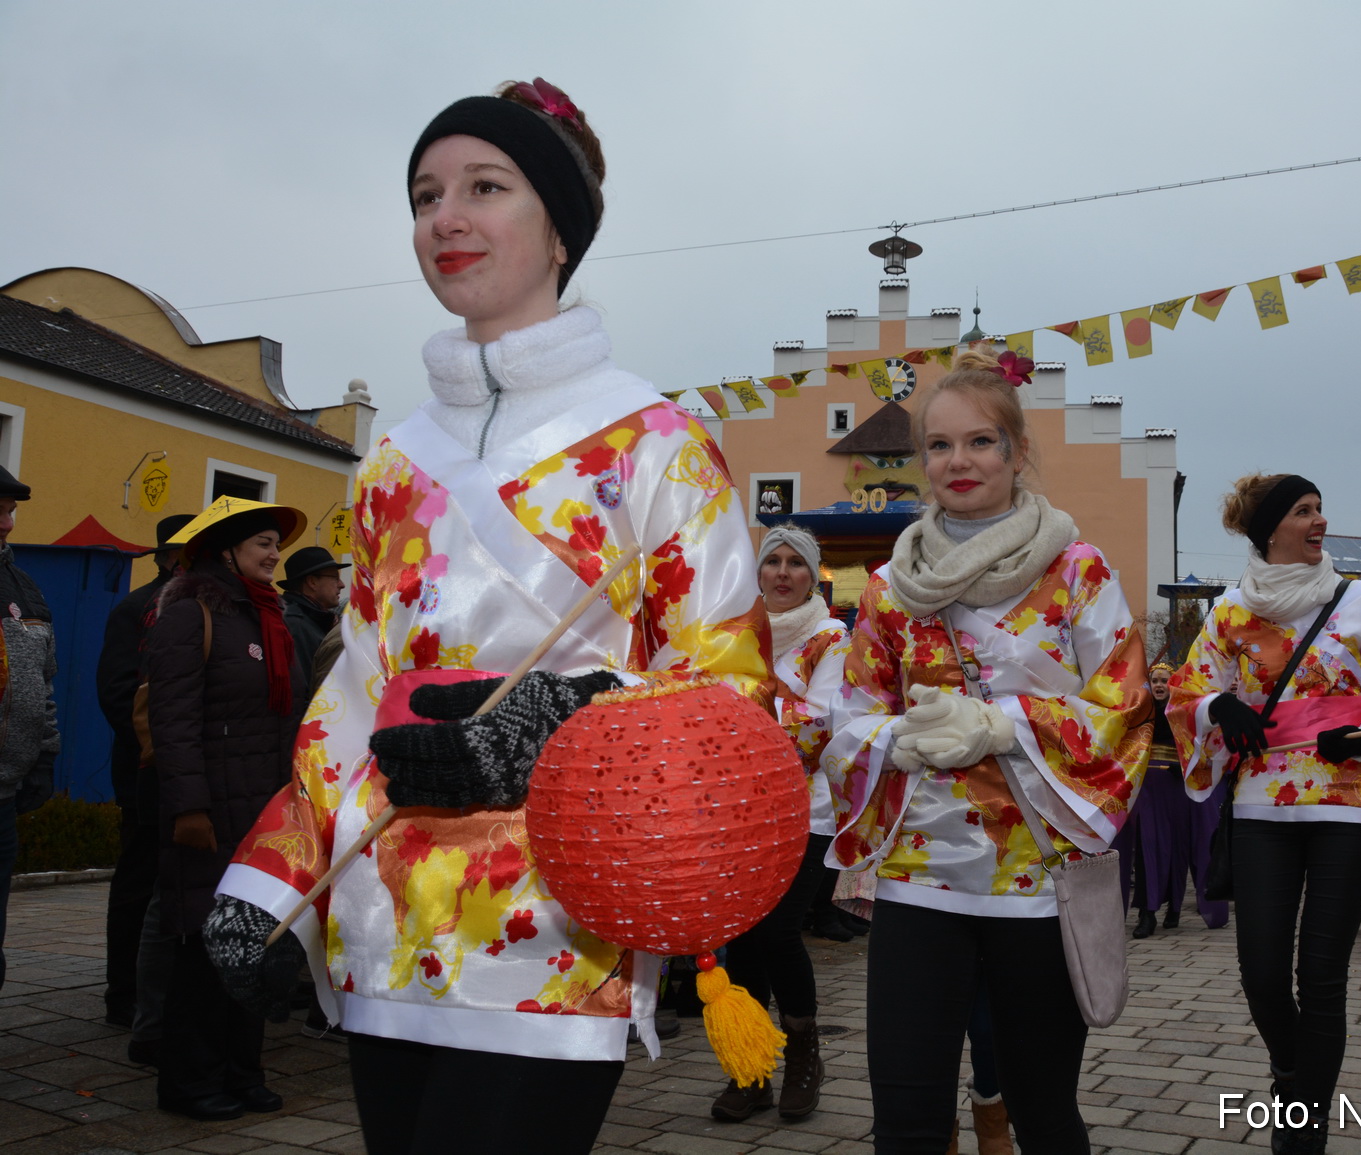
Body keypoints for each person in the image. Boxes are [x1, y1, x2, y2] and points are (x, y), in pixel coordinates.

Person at [201, 79, 770, 1154]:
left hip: (553, 919)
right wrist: (268, 879)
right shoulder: (393, 460)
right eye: (425, 195)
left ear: (560, 227)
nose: (444, 218)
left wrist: (552, 724)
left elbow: (730, 685)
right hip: (383, 919)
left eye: (484, 187)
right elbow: (351, 691)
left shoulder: (653, 441)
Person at [823, 347, 1153, 1154]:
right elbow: (849, 716)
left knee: (1044, 1118)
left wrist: (1005, 724)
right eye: (938, 445)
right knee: (904, 1125)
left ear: (1017, 452)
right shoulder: (886, 587)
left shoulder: (1079, 571)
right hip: (916, 884)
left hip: (1036, 887)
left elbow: (1126, 707)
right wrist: (897, 739)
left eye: (979, 442)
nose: (957, 461)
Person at [1168, 473, 1361, 1155]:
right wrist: (1216, 706)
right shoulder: (1227, 613)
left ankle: (1302, 1132)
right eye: (1303, 510)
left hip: (1351, 800)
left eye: (1318, 509)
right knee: (1260, 972)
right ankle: (1291, 1069)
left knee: (1322, 975)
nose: (1318, 520)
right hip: (1260, 805)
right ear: (1268, 527)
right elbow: (1190, 686)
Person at [146, 498, 308, 1119]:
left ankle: (242, 1070)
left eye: (276, 545)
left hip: (263, 812)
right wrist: (189, 806)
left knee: (257, 941)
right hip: (207, 814)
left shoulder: (271, 616)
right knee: (203, 949)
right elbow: (174, 719)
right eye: (263, 544)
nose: (274, 556)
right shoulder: (191, 614)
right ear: (227, 552)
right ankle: (190, 1081)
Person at [710, 525, 848, 1123]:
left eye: (796, 563)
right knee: (738, 933)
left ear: (812, 576)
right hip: (733, 813)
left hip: (805, 809)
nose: (783, 573)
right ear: (757, 572)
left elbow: (819, 728)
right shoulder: (733, 635)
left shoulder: (831, 639)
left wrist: (741, 708)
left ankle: (802, 1056)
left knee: (778, 933)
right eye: (773, 563)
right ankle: (751, 1066)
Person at [95, 511, 195, 1043]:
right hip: (144, 773)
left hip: (181, 774)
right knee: (136, 883)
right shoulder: (137, 609)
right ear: (168, 558)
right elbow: (117, 695)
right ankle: (122, 992)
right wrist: (158, 754)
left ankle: (159, 988)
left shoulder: (202, 607)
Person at [0, 465, 60, 993]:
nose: (6, 523)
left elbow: (43, 685)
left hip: (3, 795)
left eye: (10, 510)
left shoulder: (24, 587)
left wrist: (43, 754)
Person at [1116, 664, 1187, 936]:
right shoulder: (1140, 712)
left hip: (1174, 787)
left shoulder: (1183, 713)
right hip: (1144, 787)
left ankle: (1175, 905)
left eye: (1164, 681)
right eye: (1154, 681)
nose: (1159, 685)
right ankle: (1147, 913)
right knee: (1147, 847)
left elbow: (1199, 747)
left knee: (1176, 847)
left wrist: (1183, 767)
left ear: (1172, 684)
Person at [277, 546, 349, 689]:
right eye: (335, 578)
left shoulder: (313, 620)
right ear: (312, 582)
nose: (342, 585)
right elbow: (303, 688)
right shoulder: (296, 624)